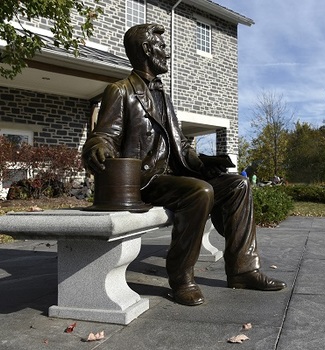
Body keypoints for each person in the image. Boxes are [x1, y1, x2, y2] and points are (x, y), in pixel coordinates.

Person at [82, 24, 285, 306]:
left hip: (177, 176)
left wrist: (203, 163)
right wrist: (99, 148)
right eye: (162, 48)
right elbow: (104, 135)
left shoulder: (163, 95)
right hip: (146, 180)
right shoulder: (120, 91)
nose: (167, 53)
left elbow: (181, 145)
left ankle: (244, 270)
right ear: (146, 50)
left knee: (238, 184)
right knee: (199, 191)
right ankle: (181, 278)